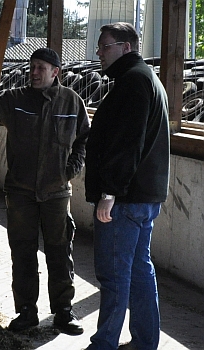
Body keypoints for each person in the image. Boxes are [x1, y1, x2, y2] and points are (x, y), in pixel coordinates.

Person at [0, 47, 90, 335]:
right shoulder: (16, 99)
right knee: (22, 252)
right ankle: (26, 312)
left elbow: (85, 138)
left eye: (41, 68)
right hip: (20, 191)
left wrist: (70, 169)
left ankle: (63, 312)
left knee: (60, 253)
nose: (34, 72)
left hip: (57, 193)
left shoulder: (71, 102)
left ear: (55, 72)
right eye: (31, 67)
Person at [84, 22, 170, 350]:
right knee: (138, 271)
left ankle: (104, 344)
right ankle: (145, 342)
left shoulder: (133, 82)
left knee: (114, 275)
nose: (99, 53)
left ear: (125, 47)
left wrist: (109, 194)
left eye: (104, 46)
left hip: (125, 199)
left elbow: (127, 144)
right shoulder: (146, 79)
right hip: (144, 196)